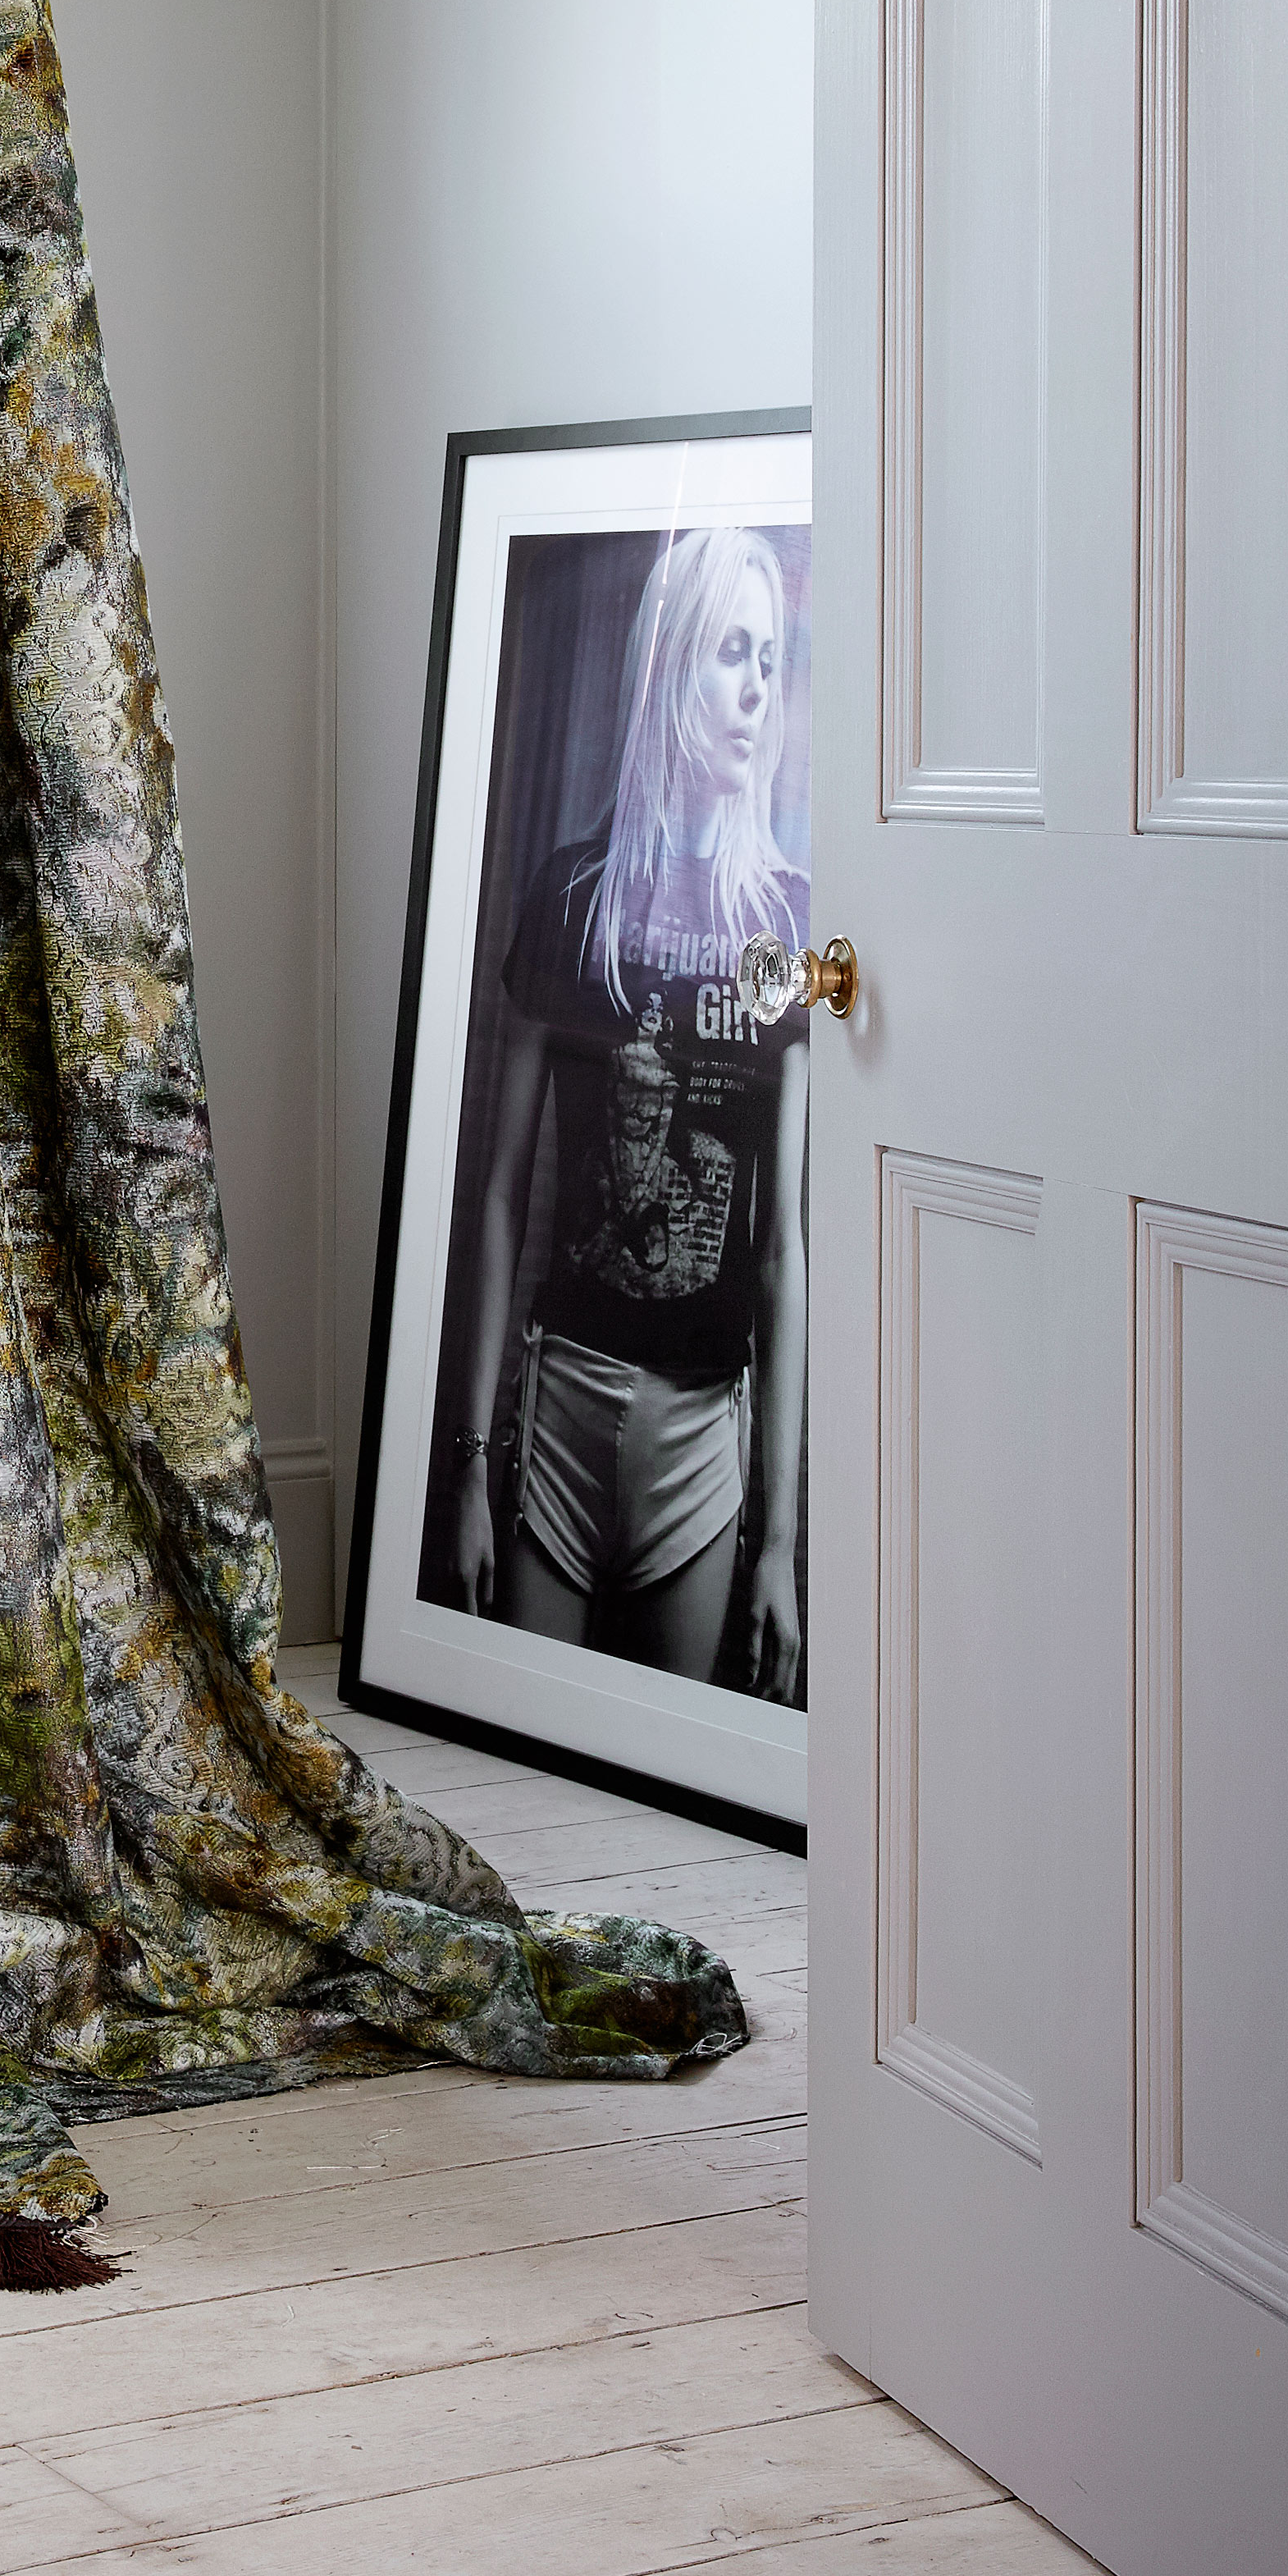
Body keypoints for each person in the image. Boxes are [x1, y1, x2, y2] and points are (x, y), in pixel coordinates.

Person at [447, 526, 807, 1701]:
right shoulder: (571, 895)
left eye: (774, 657)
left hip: (706, 1434)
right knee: (529, 1729)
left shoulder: (786, 923)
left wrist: (784, 1546)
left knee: (673, 1737)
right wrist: (465, 1467)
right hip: (559, 1402)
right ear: (671, 664)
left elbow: (782, 1246)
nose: (758, 686)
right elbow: (500, 1193)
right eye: (732, 651)